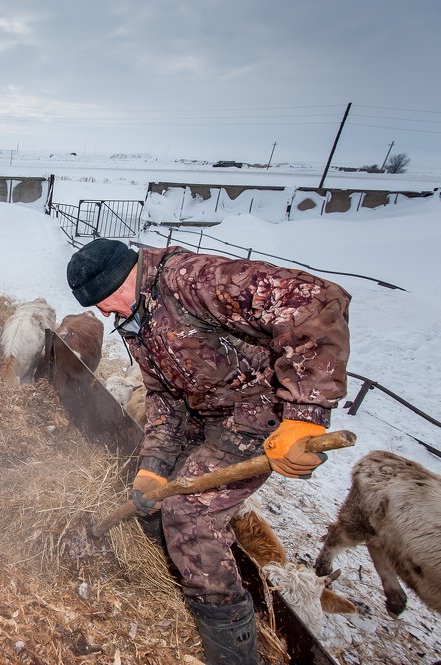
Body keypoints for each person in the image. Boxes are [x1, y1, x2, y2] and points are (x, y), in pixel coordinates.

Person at [66, 239, 351, 665]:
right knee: (154, 497)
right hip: (207, 415)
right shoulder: (138, 322)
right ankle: (173, 563)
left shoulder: (192, 279)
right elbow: (162, 399)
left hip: (256, 415)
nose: (104, 313)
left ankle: (231, 648)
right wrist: (153, 468)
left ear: (123, 277)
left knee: (190, 513)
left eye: (104, 301)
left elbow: (315, 299)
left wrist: (305, 412)